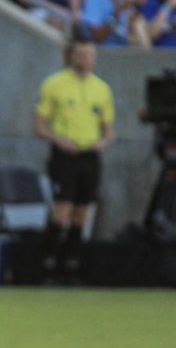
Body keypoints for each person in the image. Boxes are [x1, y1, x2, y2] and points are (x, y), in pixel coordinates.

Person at [33, 39, 115, 279]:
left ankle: (71, 265)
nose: (85, 59)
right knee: (62, 210)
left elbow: (108, 127)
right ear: (71, 56)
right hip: (65, 156)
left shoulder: (102, 88)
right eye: (80, 54)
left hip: (90, 156)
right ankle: (46, 265)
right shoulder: (55, 84)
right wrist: (58, 140)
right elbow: (39, 124)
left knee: (81, 213)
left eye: (89, 54)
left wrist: (103, 141)